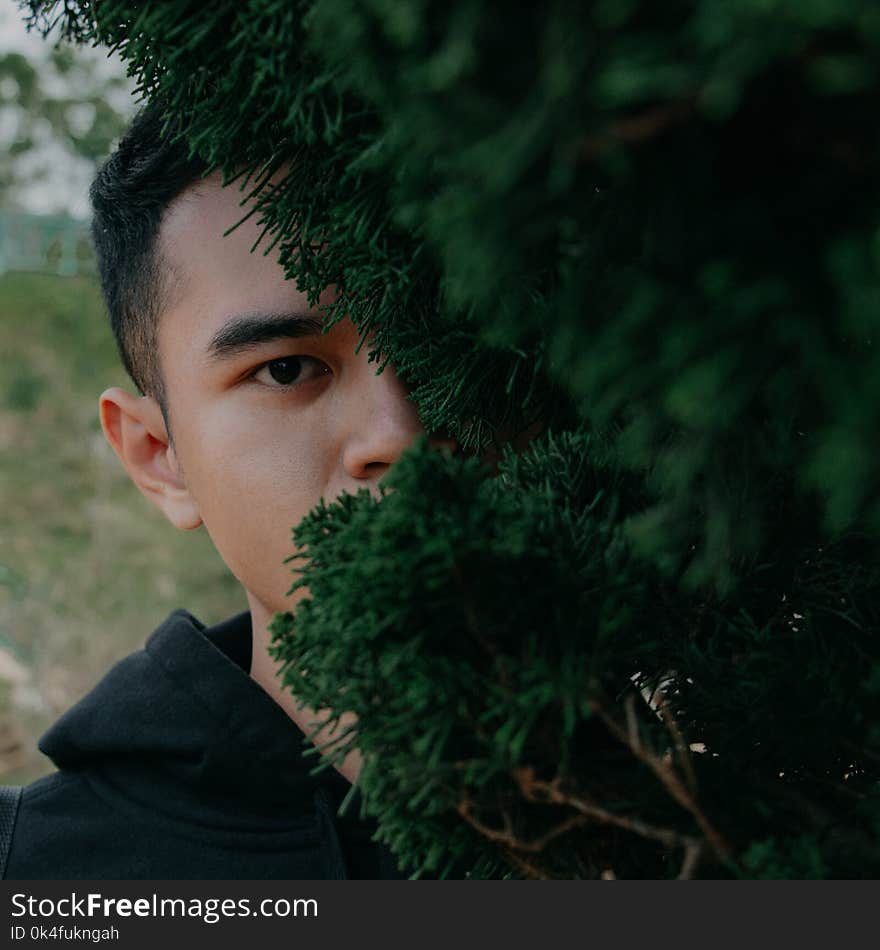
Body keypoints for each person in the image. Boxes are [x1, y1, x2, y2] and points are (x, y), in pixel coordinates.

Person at [1, 105, 457, 879]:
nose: (399, 433)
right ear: (159, 458)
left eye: (457, 349)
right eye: (286, 368)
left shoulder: (720, 785)